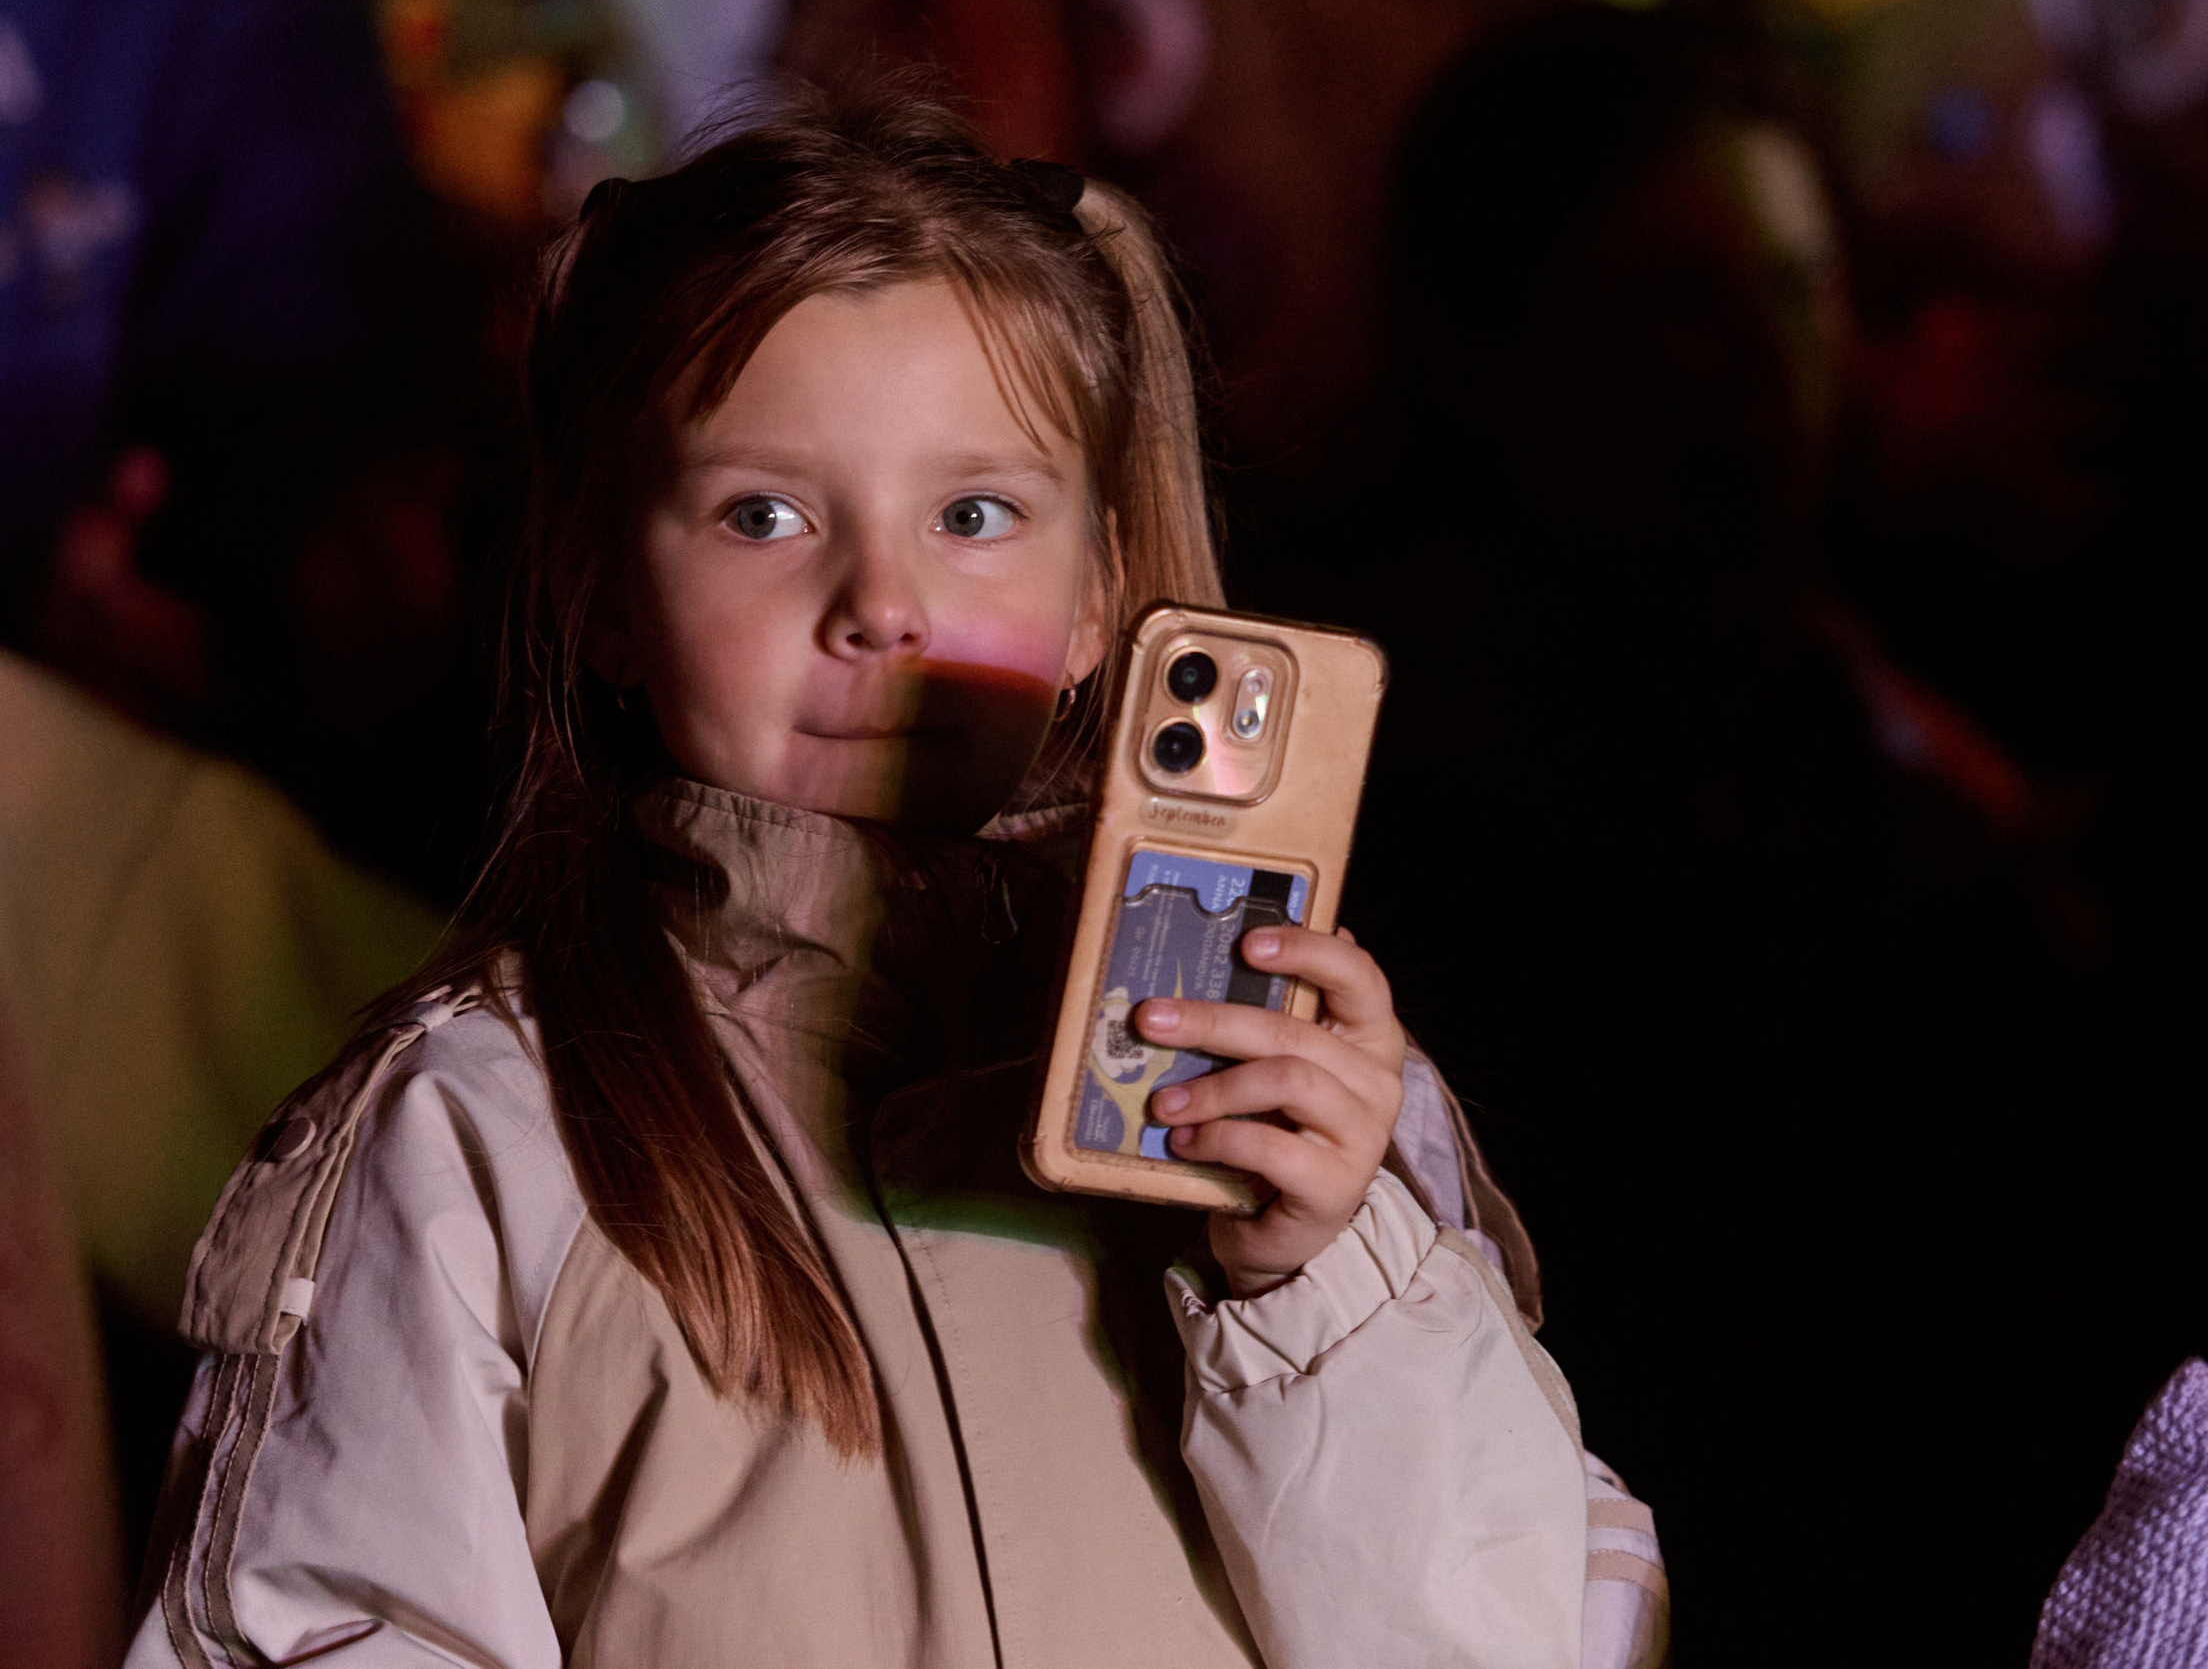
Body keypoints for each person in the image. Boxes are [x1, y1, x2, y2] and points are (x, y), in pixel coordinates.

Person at [129, 84, 1667, 1669]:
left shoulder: (1304, 1100)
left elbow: (1513, 1638)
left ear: (1103, 594)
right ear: (597, 591)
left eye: (977, 512)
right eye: (765, 513)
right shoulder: (480, 1124)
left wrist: (1325, 1287)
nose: (881, 600)